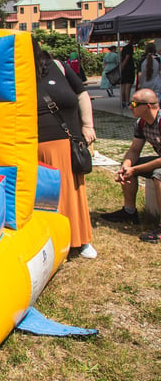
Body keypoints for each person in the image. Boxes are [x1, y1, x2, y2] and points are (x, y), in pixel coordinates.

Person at [35, 44, 98, 259]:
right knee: (46, 196)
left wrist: (88, 125)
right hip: (33, 144)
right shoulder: (15, 71)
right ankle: (54, 241)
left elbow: (81, 94)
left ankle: (80, 239)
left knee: (72, 191)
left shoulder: (59, 67)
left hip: (65, 140)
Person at [101, 88, 161, 243]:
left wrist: (135, 169)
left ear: (148, 106)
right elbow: (134, 150)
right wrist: (127, 166)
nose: (130, 107)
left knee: (159, 175)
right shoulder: (141, 123)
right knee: (129, 166)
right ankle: (129, 212)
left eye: (134, 103)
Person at [120, 41, 137, 109]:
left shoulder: (124, 48)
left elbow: (121, 57)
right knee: (128, 85)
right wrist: (123, 66)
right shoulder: (130, 48)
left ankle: (123, 101)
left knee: (123, 85)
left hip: (124, 69)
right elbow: (127, 57)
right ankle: (127, 101)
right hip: (128, 68)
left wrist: (121, 66)